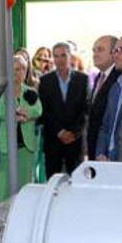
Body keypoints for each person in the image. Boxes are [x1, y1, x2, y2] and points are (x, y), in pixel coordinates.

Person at [0, 54, 42, 201]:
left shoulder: (30, 91)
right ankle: (2, 219)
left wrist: (23, 113)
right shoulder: (0, 90)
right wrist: (15, 114)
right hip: (5, 146)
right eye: (15, 69)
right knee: (3, 185)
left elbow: (38, 110)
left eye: (22, 69)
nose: (19, 72)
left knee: (25, 185)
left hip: (25, 146)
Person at [38, 42, 89, 177]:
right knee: (53, 181)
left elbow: (85, 110)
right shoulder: (45, 81)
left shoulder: (83, 79)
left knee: (76, 179)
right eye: (56, 56)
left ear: (70, 56)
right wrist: (60, 132)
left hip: (75, 141)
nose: (60, 60)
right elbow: (45, 111)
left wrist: (73, 133)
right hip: (53, 141)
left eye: (63, 55)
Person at [85, 35, 119, 160]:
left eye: (100, 50)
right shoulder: (99, 76)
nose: (95, 54)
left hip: (108, 152)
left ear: (114, 53)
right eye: (94, 50)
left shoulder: (119, 78)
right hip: (95, 149)